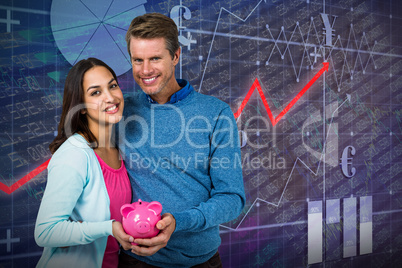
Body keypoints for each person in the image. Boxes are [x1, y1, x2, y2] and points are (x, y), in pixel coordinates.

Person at [117, 13, 246, 267]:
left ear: (175, 56)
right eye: (137, 60)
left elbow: (232, 198)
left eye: (155, 58)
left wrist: (179, 222)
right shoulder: (121, 109)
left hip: (200, 261)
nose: (145, 70)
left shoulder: (216, 113)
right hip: (136, 260)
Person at [34, 58, 134, 267]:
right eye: (95, 92)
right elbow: (46, 232)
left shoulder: (117, 148)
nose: (110, 97)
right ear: (81, 107)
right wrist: (109, 227)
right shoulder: (75, 153)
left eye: (112, 86)